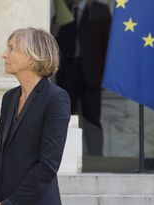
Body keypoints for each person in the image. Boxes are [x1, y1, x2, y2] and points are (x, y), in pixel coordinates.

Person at [0, 28, 71, 205]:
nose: (4, 54)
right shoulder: (10, 98)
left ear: (32, 57)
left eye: (12, 48)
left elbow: (48, 164)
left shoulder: (56, 98)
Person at [52, 0, 111, 156]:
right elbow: (54, 46)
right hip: (67, 71)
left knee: (92, 117)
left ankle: (96, 157)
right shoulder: (63, 10)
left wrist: (105, 74)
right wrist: (55, 31)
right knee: (64, 115)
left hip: (92, 72)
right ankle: (64, 157)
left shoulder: (99, 9)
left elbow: (107, 43)